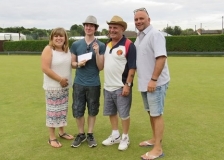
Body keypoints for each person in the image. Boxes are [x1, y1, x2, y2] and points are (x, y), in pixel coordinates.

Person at [134, 8, 170, 159]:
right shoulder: (139, 37)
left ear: (149, 19)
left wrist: (154, 80)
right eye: (136, 19)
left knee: (156, 114)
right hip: (145, 83)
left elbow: (161, 58)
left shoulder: (155, 35)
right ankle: (155, 139)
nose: (138, 21)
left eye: (141, 18)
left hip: (156, 83)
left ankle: (158, 149)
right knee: (151, 112)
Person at [102, 15, 137, 151]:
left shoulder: (129, 45)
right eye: (110, 27)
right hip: (108, 86)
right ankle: (115, 134)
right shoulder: (107, 44)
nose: (112, 30)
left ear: (122, 29)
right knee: (111, 112)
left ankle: (125, 137)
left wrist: (128, 85)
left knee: (124, 114)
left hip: (122, 86)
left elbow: (132, 67)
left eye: (115, 27)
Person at [70, 15, 105, 148]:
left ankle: (90, 134)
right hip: (79, 83)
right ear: (84, 27)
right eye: (86, 25)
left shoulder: (101, 45)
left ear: (95, 28)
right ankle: (80, 134)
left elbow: (101, 67)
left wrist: (97, 52)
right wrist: (78, 64)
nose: (88, 27)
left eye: (91, 26)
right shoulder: (76, 44)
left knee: (92, 109)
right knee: (78, 109)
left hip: (94, 83)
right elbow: (72, 63)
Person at [41, 27, 74, 148]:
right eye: (56, 36)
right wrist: (60, 79)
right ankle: (52, 138)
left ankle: (62, 132)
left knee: (62, 111)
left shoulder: (67, 50)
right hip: (53, 87)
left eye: (61, 36)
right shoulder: (48, 49)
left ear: (65, 38)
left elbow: (71, 65)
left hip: (64, 87)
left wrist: (80, 63)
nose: (59, 38)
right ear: (52, 38)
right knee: (53, 112)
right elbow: (45, 68)